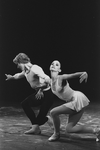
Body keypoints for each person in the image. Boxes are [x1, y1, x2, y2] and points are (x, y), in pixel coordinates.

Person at [47, 60, 100, 142]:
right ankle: (96, 131)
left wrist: (84, 73)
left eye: (56, 64)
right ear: (50, 67)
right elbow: (41, 85)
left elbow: (72, 75)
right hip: (73, 103)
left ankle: (56, 134)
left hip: (77, 99)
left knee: (53, 112)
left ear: (59, 70)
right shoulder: (50, 81)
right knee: (69, 129)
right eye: (52, 64)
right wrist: (40, 90)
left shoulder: (61, 77)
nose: (53, 65)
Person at [5, 53, 56, 134]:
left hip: (47, 95)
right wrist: (12, 77)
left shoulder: (35, 68)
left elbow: (47, 79)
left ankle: (46, 120)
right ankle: (36, 128)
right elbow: (18, 75)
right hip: (40, 95)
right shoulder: (26, 71)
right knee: (25, 104)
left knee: (39, 120)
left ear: (22, 62)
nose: (17, 66)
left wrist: (41, 89)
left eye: (18, 64)